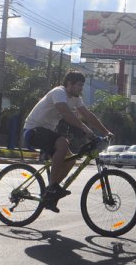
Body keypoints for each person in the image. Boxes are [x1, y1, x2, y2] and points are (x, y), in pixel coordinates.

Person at [22, 70, 112, 212]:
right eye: (79, 85)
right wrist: (85, 130)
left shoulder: (75, 98)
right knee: (63, 142)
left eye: (82, 86)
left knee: (70, 160)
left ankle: (50, 197)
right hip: (33, 130)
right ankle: (52, 187)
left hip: (48, 133)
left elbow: (88, 115)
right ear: (69, 84)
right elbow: (66, 114)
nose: (81, 89)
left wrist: (106, 131)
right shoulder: (59, 92)